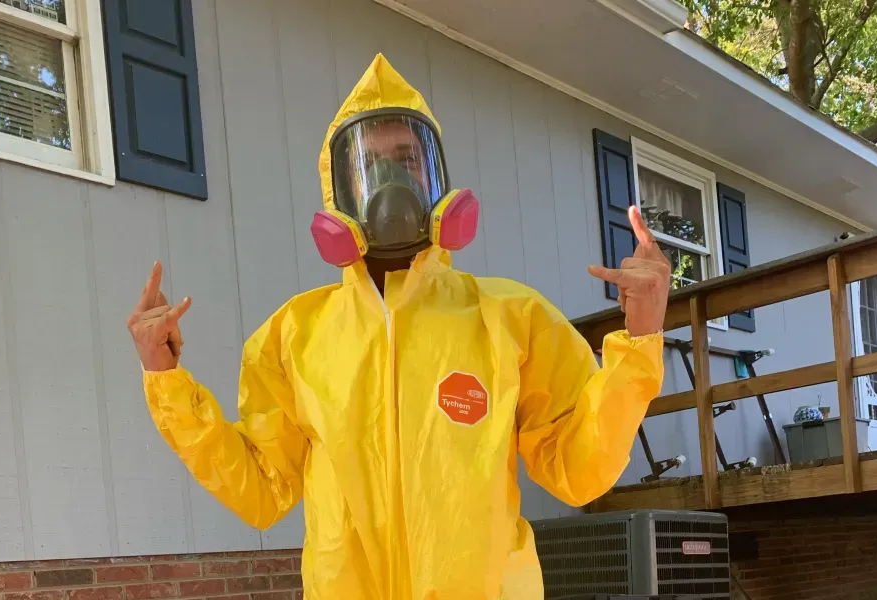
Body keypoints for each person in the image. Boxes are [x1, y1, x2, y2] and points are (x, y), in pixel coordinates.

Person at [127, 53, 670, 600]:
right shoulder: (294, 336)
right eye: (368, 164)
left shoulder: (511, 318)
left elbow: (578, 470)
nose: (388, 180)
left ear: (437, 180)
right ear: (338, 193)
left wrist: (640, 338)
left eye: (407, 159)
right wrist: (165, 378)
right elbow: (263, 490)